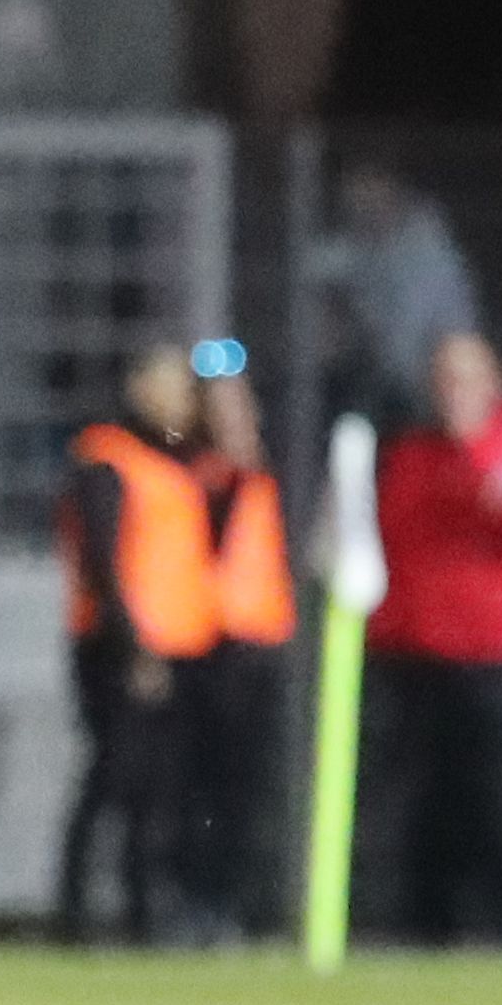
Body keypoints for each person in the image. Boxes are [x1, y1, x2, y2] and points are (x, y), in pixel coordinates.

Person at [361, 331, 502, 942]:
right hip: (419, 654)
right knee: (424, 798)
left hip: (500, 656)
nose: (453, 394)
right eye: (444, 380)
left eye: (465, 379)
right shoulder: (410, 456)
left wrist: (484, 482)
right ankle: (426, 925)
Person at [54, 343, 215, 944]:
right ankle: (77, 916)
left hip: (172, 645)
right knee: (113, 779)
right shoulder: (107, 459)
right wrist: (134, 648)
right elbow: (103, 560)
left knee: (156, 790)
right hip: (121, 647)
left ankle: (146, 914)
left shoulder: (172, 461)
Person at [185, 344, 295, 938]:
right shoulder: (196, 475)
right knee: (200, 785)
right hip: (204, 644)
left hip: (256, 645)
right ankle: (200, 903)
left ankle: (238, 905)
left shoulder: (271, 473)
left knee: (248, 789)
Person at [313, 157, 482, 423]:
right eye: (354, 197)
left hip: (426, 383)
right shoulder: (359, 243)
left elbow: (411, 335)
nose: (362, 205)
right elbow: (319, 264)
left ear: (390, 189)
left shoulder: (425, 244)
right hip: (383, 383)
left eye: (370, 190)